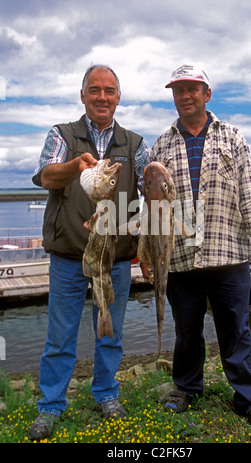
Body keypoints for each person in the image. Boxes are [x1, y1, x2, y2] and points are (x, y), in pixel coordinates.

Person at [150, 64, 251, 433]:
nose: (185, 96)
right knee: (186, 331)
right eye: (178, 90)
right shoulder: (162, 145)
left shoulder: (232, 137)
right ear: (173, 97)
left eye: (192, 89)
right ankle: (187, 387)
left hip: (228, 253)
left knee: (236, 330)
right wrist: (148, 250)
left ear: (207, 94)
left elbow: (250, 191)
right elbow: (152, 205)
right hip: (179, 257)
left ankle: (250, 398)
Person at [28, 65, 149, 440]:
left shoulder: (135, 143)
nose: (102, 97)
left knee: (108, 333)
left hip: (115, 259)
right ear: (83, 96)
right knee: (59, 335)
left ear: (118, 97)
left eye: (109, 91)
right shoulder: (63, 134)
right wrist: (73, 166)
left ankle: (106, 394)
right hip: (68, 258)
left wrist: (153, 230)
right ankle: (50, 406)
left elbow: (151, 184)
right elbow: (46, 175)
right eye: (94, 90)